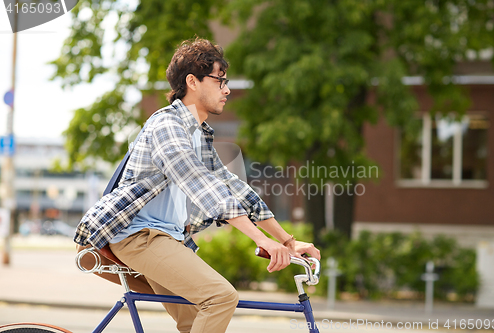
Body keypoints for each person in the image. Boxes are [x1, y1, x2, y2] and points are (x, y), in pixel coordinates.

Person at [75, 37, 321, 333]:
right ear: (192, 81)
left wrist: (285, 241)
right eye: (220, 80)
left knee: (196, 323)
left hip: (167, 240)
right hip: (139, 237)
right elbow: (202, 185)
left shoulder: (198, 134)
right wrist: (260, 240)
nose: (227, 89)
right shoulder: (167, 125)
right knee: (220, 298)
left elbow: (236, 190)